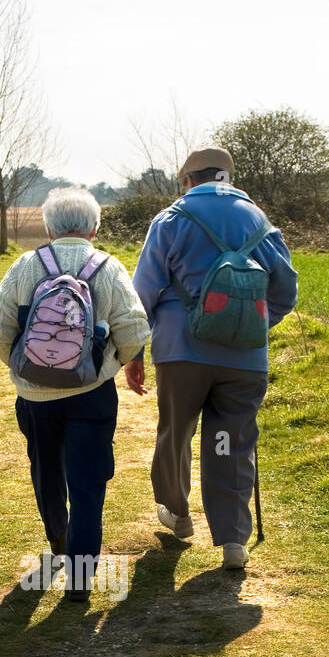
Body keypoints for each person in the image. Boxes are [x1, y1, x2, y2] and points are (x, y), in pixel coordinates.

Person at [129, 145, 298, 569]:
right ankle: (233, 541)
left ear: (189, 180)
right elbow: (286, 290)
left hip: (180, 351)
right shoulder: (261, 221)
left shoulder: (171, 218)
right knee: (231, 442)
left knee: (177, 432)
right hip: (245, 356)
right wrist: (252, 324)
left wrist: (135, 350)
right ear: (228, 178)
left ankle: (178, 513)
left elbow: (142, 293)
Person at [0, 187, 149, 600]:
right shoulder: (108, 268)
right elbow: (134, 329)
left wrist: (25, 368)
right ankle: (80, 575)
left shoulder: (25, 265)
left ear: (48, 227)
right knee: (89, 481)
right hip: (91, 393)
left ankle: (57, 538)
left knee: (46, 469)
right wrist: (112, 363)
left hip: (35, 397)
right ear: (95, 226)